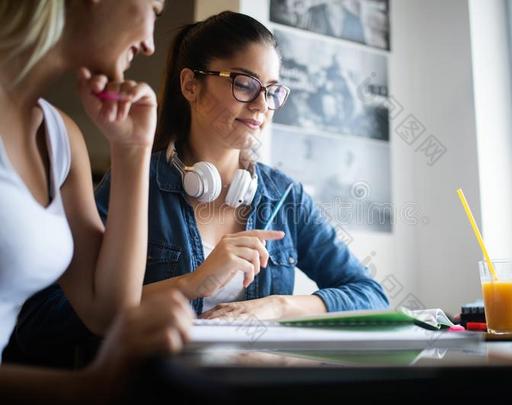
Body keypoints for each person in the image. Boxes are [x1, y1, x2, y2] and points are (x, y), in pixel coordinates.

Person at [11, 11, 388, 357]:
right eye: (245, 84)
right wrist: (192, 283)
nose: (261, 105)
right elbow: (45, 320)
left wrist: (277, 307)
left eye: (272, 91)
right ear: (191, 85)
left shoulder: (284, 196)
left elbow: (371, 295)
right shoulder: (138, 182)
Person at [0, 0, 193, 400]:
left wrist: (133, 150)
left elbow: (107, 310)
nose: (148, 44)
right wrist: (89, 386)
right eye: (153, 10)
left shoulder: (58, 136)